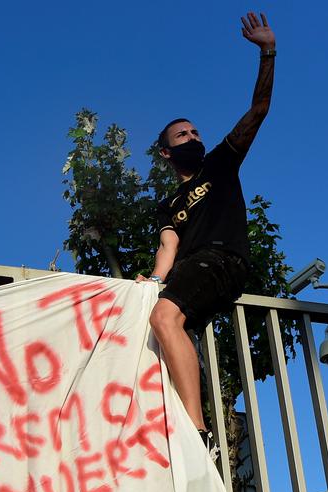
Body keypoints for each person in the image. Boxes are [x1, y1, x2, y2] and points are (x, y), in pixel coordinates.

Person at [136, 11, 275, 449]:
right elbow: (168, 245)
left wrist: (267, 51)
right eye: (183, 135)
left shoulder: (219, 161)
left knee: (164, 315)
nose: (193, 136)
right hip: (190, 269)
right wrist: (154, 281)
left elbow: (259, 110)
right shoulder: (170, 203)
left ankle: (196, 432)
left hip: (223, 258)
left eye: (196, 131)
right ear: (165, 152)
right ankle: (172, 417)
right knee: (156, 324)